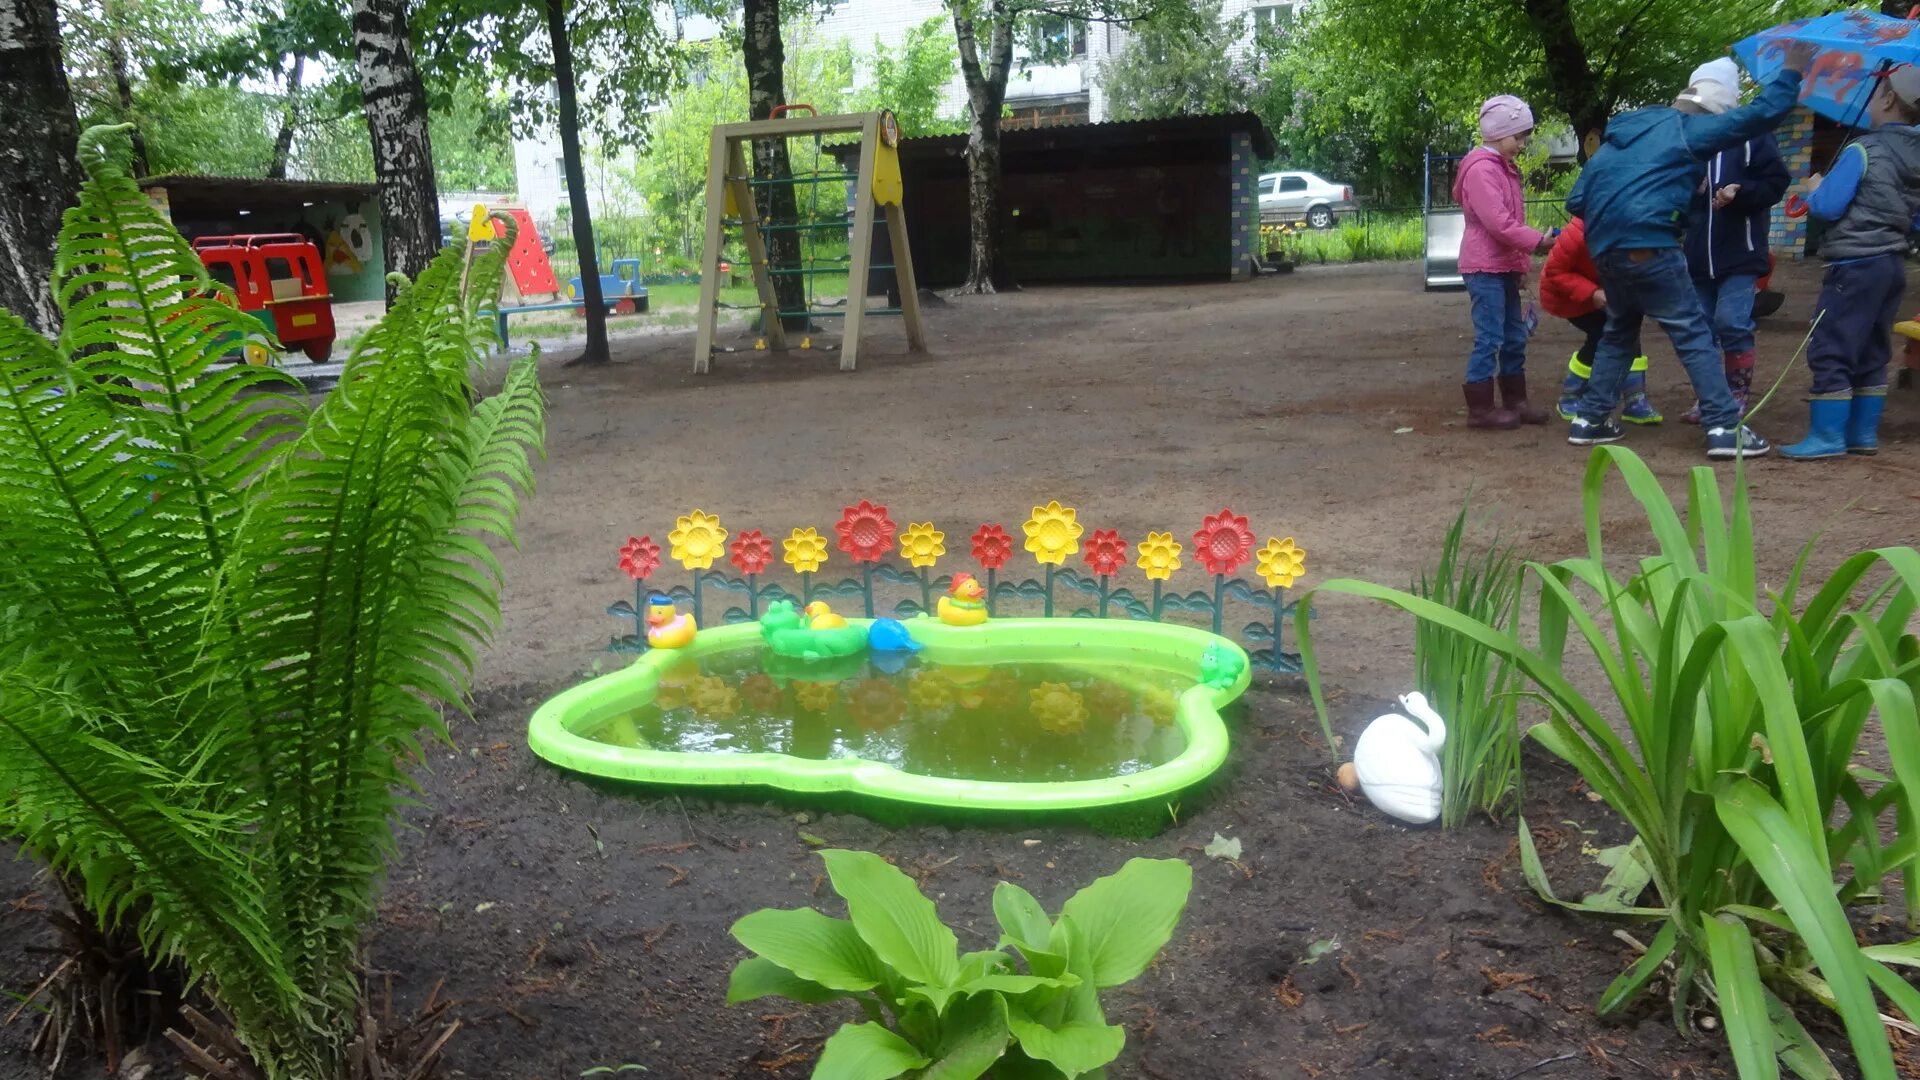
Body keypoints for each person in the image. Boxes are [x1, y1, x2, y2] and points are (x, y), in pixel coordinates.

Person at [1564, 43, 1814, 459]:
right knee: (1694, 334)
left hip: (1607, 254)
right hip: (1651, 249)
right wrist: (1791, 70)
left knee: (1619, 332)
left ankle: (1590, 419)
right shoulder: (1689, 128)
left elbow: (1577, 202)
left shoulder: (1617, 142)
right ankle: (1723, 426)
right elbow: (1759, 116)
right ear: (1715, 109)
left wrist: (1682, 193)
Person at [1781, 65, 1920, 459]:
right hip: (1891, 265)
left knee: (1832, 345)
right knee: (1874, 348)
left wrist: (1814, 188)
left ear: (1889, 98)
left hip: (1855, 264)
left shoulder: (1864, 150)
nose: (1873, 100)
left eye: (1877, 93)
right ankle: (1862, 435)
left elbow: (1827, 207)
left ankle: (1826, 437)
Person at [1682, 58, 1792, 425]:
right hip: (1698, 255)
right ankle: (1709, 398)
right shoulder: (1691, 136)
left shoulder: (1753, 136)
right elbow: (1673, 189)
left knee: (1731, 322)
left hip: (1740, 252)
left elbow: (1776, 183)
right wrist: (1693, 192)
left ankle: (1736, 395)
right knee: (1700, 328)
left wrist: (1740, 192)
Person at [1454, 95, 1557, 429]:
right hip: (1484, 265)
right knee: (1491, 336)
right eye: (1518, 136)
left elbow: (1511, 219)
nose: (1522, 144)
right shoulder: (1482, 170)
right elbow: (1498, 222)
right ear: (1498, 133)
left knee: (1514, 334)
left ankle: (1516, 400)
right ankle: (1481, 409)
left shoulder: (1503, 167)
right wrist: (1537, 243)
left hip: (1503, 264)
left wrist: (1520, 266)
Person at [1543, 217, 1659, 423]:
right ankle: (1571, 393)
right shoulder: (1577, 232)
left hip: (1610, 292)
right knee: (1600, 335)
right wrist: (1592, 293)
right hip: (1569, 297)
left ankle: (1635, 399)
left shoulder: (1633, 229)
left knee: (1630, 330)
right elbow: (1555, 271)